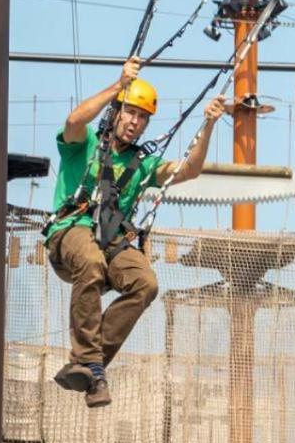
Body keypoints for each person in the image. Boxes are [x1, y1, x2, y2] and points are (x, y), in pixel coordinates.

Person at [45, 57, 226, 408]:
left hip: (111, 240)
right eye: (130, 112)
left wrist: (208, 124)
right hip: (72, 229)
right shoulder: (85, 144)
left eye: (142, 118)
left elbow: (188, 170)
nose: (135, 122)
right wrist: (118, 85)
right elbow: (73, 120)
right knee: (91, 262)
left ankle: (89, 366)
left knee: (146, 283)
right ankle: (91, 362)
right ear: (116, 112)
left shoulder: (142, 164)